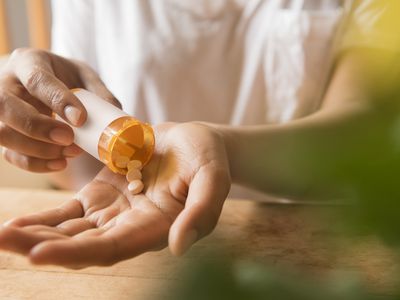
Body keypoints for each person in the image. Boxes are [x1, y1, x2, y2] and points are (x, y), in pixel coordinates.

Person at [0, 0, 398, 269]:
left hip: (311, 255)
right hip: (150, 267)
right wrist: (44, 123)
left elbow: (361, 133)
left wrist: (221, 149)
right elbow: (81, 171)